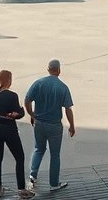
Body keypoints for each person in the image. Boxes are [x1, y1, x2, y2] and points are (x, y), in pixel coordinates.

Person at [25, 59, 75, 193]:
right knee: (55, 155)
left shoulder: (38, 83)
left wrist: (32, 114)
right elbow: (68, 109)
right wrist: (72, 125)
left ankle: (32, 175)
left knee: (39, 149)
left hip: (39, 124)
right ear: (59, 70)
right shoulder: (62, 87)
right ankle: (54, 183)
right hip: (54, 126)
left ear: (48, 69)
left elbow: (27, 100)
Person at [0, 70, 34, 199]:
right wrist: (16, 113)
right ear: (9, 80)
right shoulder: (12, 95)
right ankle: (21, 189)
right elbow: (19, 113)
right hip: (8, 128)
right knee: (19, 157)